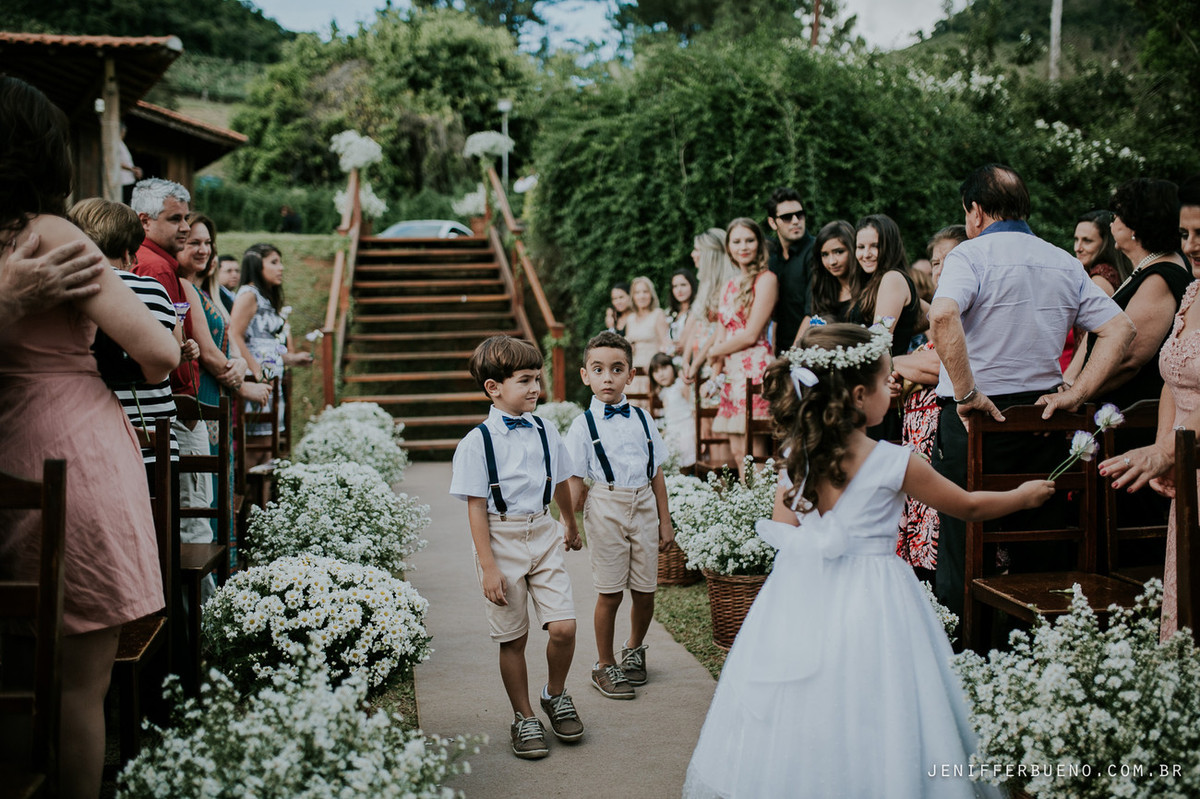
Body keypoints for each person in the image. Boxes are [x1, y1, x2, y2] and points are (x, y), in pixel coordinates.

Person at [683, 323, 1051, 799]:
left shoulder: (798, 457)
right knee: (881, 698)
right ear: (859, 395)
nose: (893, 388)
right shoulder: (896, 461)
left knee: (804, 698)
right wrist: (1023, 496)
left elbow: (785, 532)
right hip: (877, 599)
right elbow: (969, 507)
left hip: (802, 593)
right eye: (885, 381)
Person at [0, 75, 180, 799]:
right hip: (70, 444)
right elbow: (158, 354)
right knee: (79, 685)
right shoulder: (54, 233)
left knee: (11, 675)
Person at [929, 163, 1134, 621]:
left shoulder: (970, 255)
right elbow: (1120, 328)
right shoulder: (1062, 259)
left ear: (976, 212)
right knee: (1038, 539)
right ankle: (1030, 644)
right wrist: (1077, 394)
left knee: (963, 539)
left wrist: (965, 395)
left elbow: (942, 316)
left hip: (974, 419)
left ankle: (965, 648)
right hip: (1042, 420)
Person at [449, 335, 583, 760]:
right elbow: (475, 508)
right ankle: (523, 715)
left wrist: (569, 521)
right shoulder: (477, 442)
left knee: (563, 627)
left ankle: (554, 694)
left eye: (537, 379)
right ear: (494, 388)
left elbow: (560, 479)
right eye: (525, 380)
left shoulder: (546, 428)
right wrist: (488, 567)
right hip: (500, 540)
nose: (535, 389)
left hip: (542, 534)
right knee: (514, 637)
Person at [1100, 172, 1200, 640]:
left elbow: (1128, 357)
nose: (1193, 245)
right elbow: (1170, 379)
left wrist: (1168, 451)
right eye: (1186, 234)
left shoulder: (1165, 278)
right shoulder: (1194, 292)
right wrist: (1165, 448)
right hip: (1184, 464)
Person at [132, 181, 245, 576]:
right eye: (176, 218)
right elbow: (167, 345)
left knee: (194, 508)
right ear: (145, 221)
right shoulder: (155, 267)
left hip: (183, 401)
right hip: (177, 404)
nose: (184, 227)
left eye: (186, 216)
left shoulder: (165, 265)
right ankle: (201, 626)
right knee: (191, 515)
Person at [564, 332, 674, 701]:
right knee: (609, 593)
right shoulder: (582, 426)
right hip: (606, 505)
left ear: (631, 374)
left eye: (616, 369)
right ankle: (603, 663)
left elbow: (655, 470)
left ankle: (634, 647)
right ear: (585, 375)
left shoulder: (643, 418)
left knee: (645, 591)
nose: (607, 378)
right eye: (599, 370)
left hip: (643, 503)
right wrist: (571, 524)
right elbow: (575, 479)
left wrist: (665, 520)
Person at [1060, 179, 1193, 412]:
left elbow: (1128, 356)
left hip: (1130, 415)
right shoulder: (1147, 270)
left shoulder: (1160, 277)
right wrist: (1068, 383)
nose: (1112, 223)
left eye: (1116, 216)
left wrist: (1075, 397)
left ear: (1135, 226)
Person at [890, 225, 968, 579]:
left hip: (945, 452)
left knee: (943, 556)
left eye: (949, 260)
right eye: (935, 262)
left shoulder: (968, 315)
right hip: (919, 457)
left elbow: (940, 366)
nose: (939, 269)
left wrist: (891, 362)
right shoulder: (936, 320)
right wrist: (902, 377)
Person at [706, 218, 779, 479]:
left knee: (754, 448)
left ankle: (762, 507)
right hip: (730, 371)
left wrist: (713, 351)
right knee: (737, 451)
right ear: (728, 247)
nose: (743, 246)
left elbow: (750, 334)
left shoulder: (766, 279)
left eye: (749, 240)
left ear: (759, 244)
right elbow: (723, 331)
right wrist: (715, 371)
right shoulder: (728, 285)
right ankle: (747, 506)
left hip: (754, 366)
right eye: (736, 241)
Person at [230, 243, 313, 467]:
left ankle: (265, 501)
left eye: (281, 262)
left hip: (271, 381)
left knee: (269, 449)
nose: (281, 268)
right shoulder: (249, 295)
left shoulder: (265, 298)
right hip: (257, 381)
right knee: (257, 449)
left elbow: (264, 343)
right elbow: (235, 335)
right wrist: (257, 372)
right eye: (274, 262)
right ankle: (252, 500)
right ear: (257, 265)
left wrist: (292, 359)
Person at [765, 187, 815, 355]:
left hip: (811, 350)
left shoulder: (816, 251)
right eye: (787, 217)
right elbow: (775, 315)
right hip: (782, 350)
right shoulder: (773, 260)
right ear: (772, 222)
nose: (795, 221)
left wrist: (792, 357)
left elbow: (813, 311)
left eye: (800, 214)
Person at [796, 219, 865, 340]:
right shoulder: (822, 289)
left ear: (853, 249)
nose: (832, 262)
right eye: (825, 255)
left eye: (839, 252)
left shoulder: (869, 289)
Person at [624, 275, 671, 402]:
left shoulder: (658, 314)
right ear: (633, 296)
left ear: (651, 294)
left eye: (645, 291)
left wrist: (655, 363)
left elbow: (666, 344)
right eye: (637, 292)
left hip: (651, 369)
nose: (642, 296)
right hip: (634, 370)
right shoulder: (630, 319)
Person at [649, 350, 696, 469]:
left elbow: (693, 409)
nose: (660, 374)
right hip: (672, 432)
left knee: (685, 462)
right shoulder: (663, 393)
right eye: (656, 371)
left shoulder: (681, 385)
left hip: (686, 430)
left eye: (664, 368)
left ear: (673, 367)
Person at [667, 266, 698, 353]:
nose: (679, 290)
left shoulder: (696, 310)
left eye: (683, 285)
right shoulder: (670, 313)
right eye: (675, 286)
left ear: (692, 286)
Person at [118, 122, 143, 205]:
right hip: (123, 179)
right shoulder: (116, 143)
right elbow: (117, 161)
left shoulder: (121, 144)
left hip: (128, 178)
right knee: (124, 202)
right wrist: (132, 169)